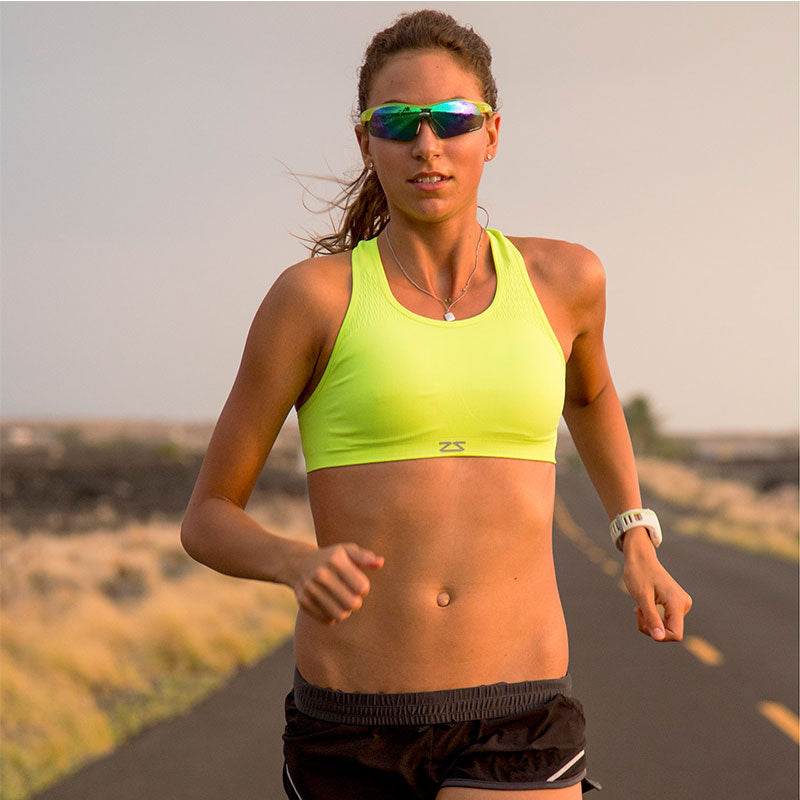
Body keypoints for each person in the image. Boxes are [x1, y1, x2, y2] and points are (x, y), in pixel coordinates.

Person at [180, 9, 692, 799]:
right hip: (348, 726)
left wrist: (635, 534)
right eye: (398, 122)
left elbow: (589, 396)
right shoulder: (313, 300)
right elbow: (208, 516)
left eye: (452, 120)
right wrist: (295, 563)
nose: (428, 145)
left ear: (490, 133)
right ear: (366, 141)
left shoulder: (565, 283)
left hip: (517, 715)